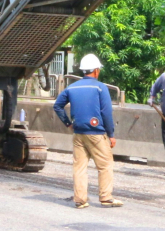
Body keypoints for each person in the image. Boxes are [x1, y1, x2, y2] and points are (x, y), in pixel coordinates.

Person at [53, 54, 123, 209]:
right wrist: (111, 135)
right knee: (105, 165)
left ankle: (80, 200)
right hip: (96, 133)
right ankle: (106, 197)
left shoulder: (71, 87)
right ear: (96, 71)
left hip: (78, 133)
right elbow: (106, 113)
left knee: (79, 167)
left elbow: (57, 106)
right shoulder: (100, 87)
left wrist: (68, 123)